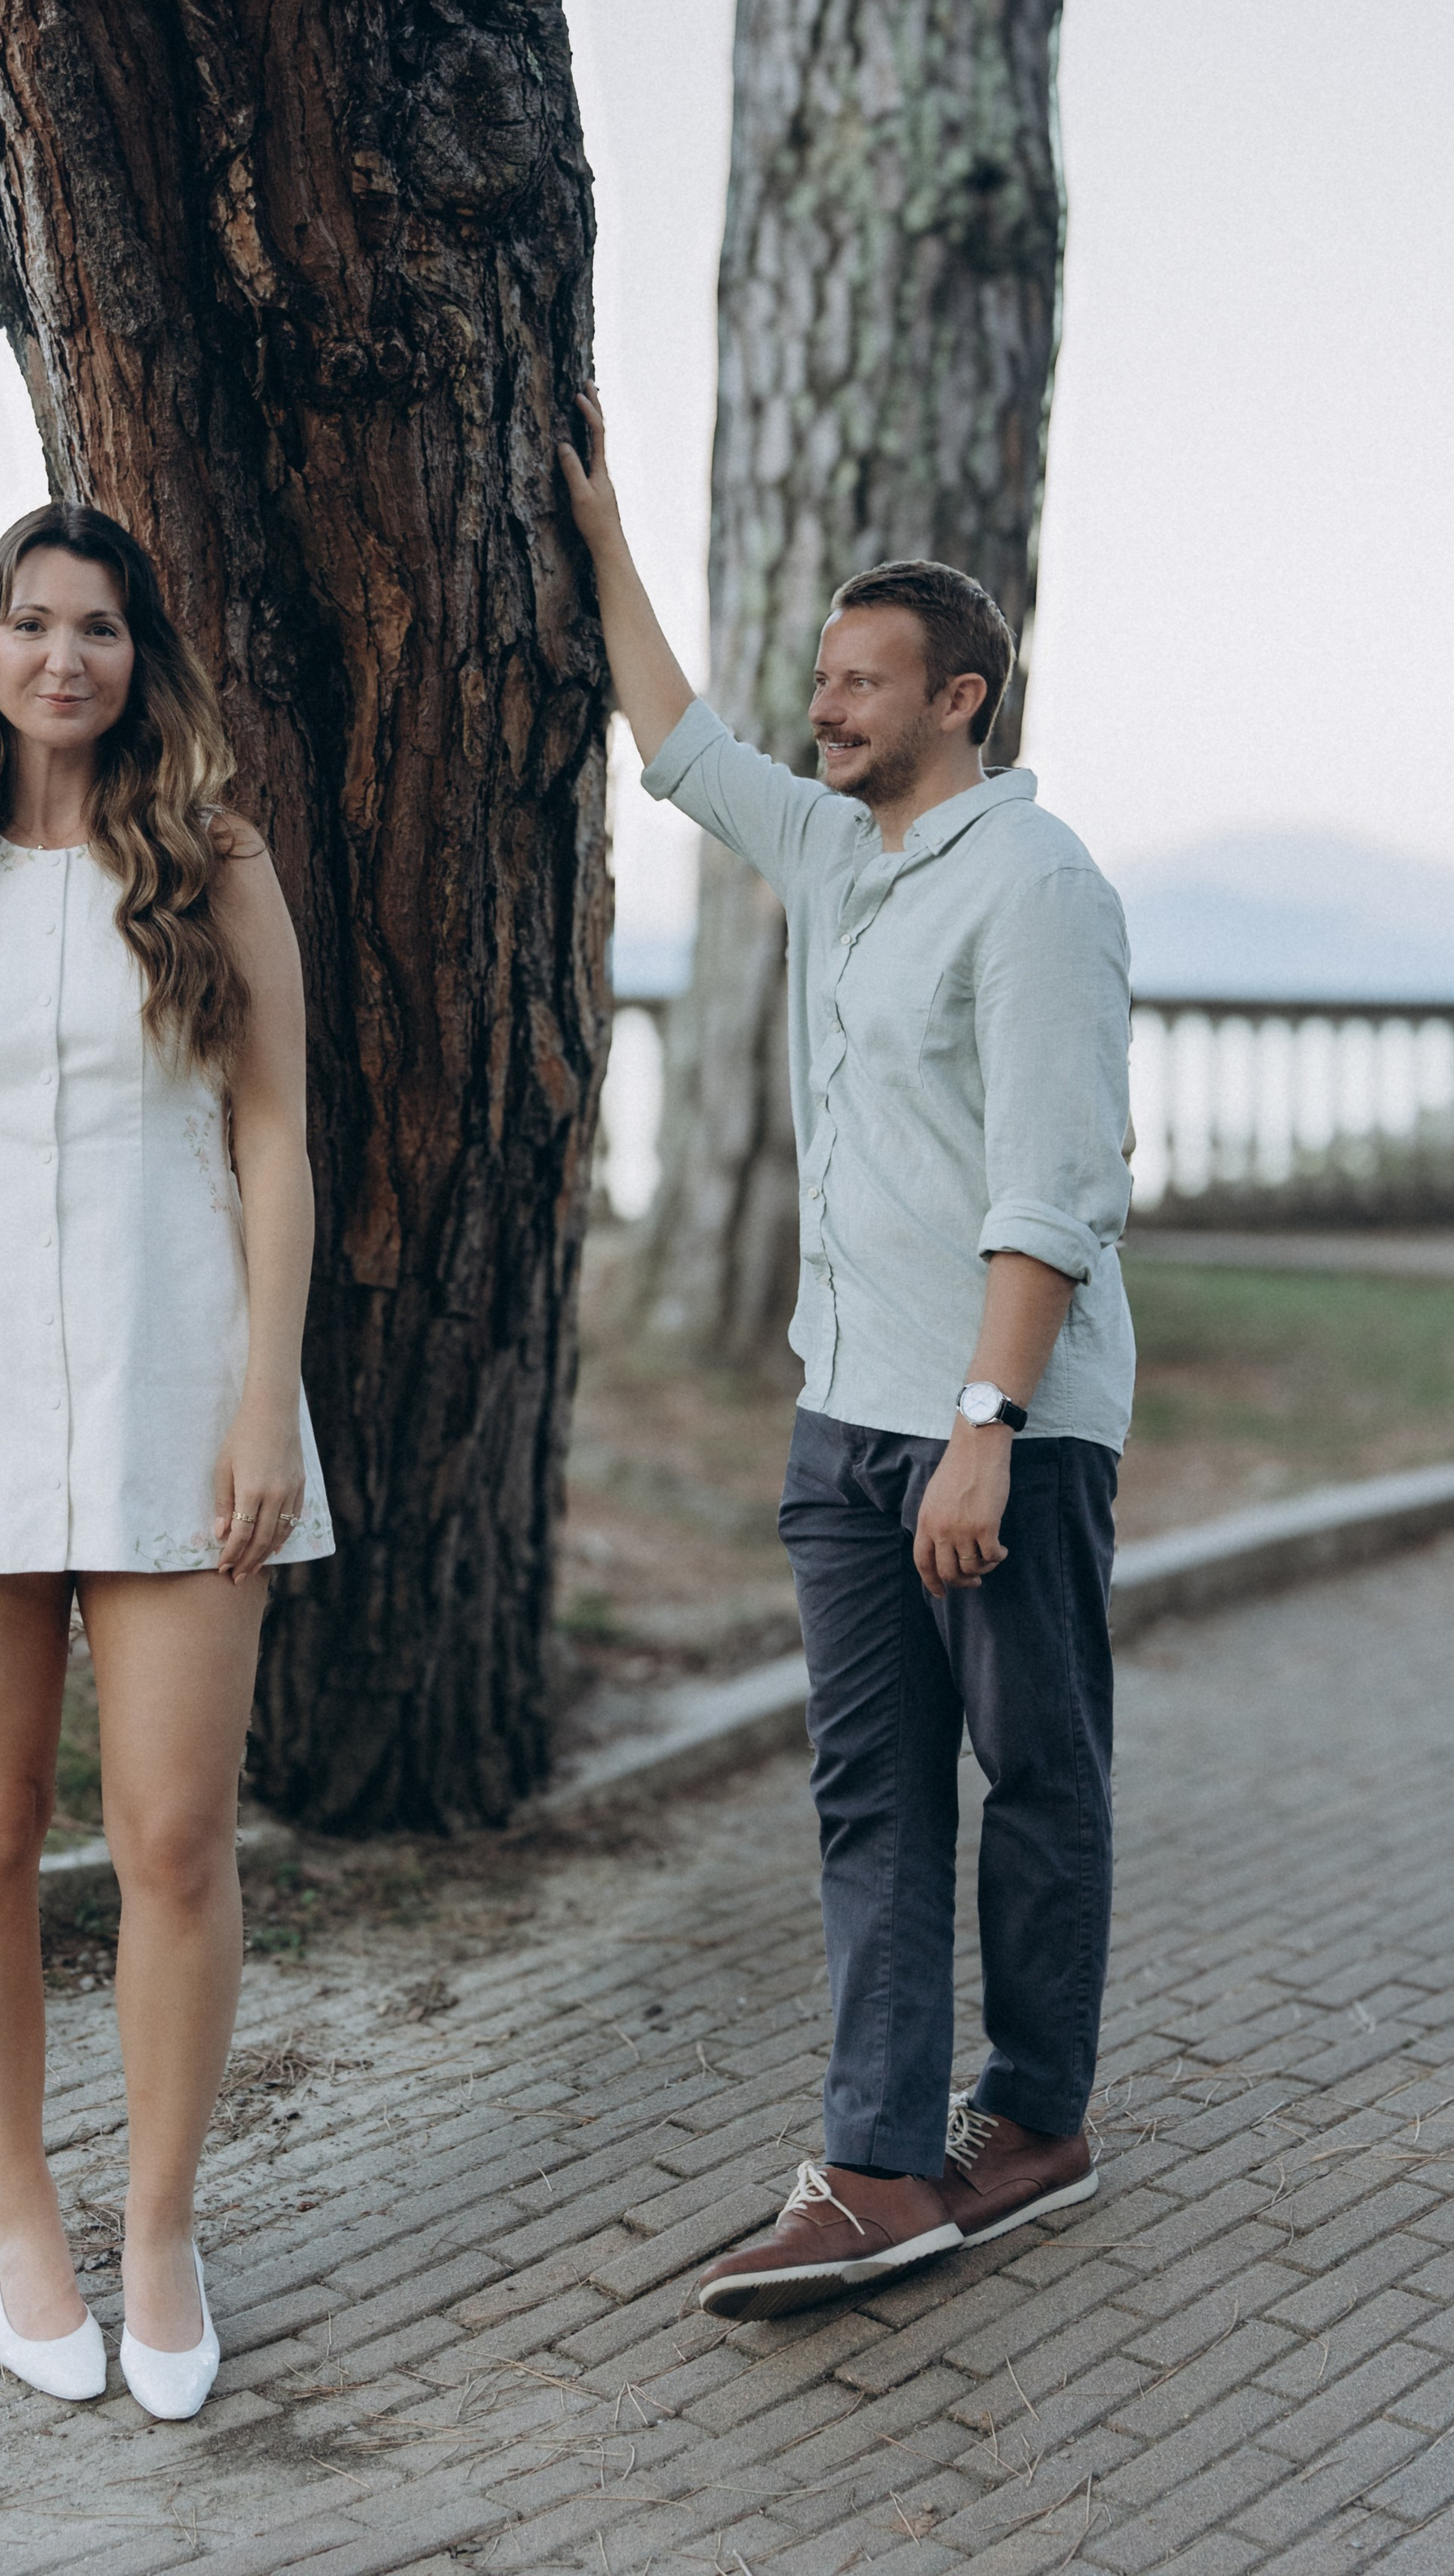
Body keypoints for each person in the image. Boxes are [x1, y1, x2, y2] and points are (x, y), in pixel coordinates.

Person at [559, 393, 1134, 2321]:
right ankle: (879, 2163)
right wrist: (599, 523)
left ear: (959, 700)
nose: (827, 706)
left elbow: (1052, 1189)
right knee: (870, 1796)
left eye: (864, 681)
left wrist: (985, 1423)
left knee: (1032, 1772)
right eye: (822, 675)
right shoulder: (836, 854)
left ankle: (1030, 2117)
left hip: (1002, 1433)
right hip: (843, 1426)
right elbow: (677, 743)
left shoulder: (1035, 888)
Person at [0, 503, 334, 2419]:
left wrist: (264, 1396)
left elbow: (274, 1146)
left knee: (177, 1840)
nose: (63, 659)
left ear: (138, 659)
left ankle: (162, 2225)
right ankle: (18, 2216)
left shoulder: (211, 862)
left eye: (98, 628)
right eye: (31, 624)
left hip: (178, 1371)